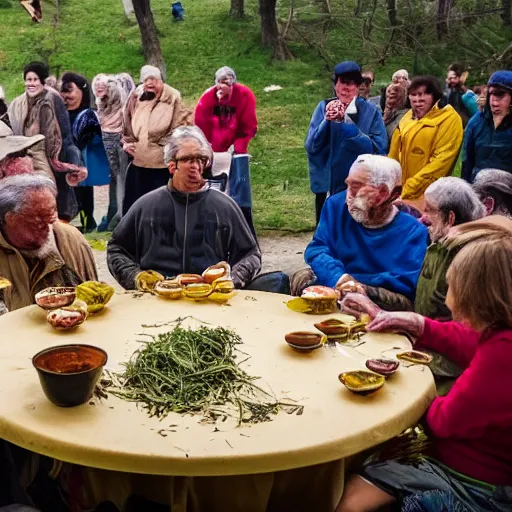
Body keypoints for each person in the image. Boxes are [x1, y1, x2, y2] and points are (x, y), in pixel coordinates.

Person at [336, 216, 512, 512]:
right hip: (482, 466)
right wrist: (418, 325)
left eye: (451, 287)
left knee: (349, 497)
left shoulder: (502, 355)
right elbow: (468, 341)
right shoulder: (500, 333)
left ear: (479, 295)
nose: (449, 299)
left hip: (477, 483)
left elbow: (443, 421)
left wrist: (401, 396)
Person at [107, 126, 261, 290]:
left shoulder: (225, 207)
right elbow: (117, 249)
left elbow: (251, 254)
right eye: (188, 159)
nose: (196, 165)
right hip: (155, 300)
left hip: (209, 299)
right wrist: (136, 277)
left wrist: (233, 278)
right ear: (172, 166)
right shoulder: (146, 206)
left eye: (201, 159)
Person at [303, 155, 428, 304]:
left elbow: (407, 281)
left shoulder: (413, 232)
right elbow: (317, 249)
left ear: (389, 194)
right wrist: (340, 277)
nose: (348, 195)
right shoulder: (336, 206)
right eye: (348, 186)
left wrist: (359, 284)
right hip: (337, 284)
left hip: (380, 301)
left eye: (356, 187)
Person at [0, 174, 97, 313]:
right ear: (11, 219)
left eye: (52, 212)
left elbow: (93, 294)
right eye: (39, 218)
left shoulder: (72, 240)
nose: (51, 223)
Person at [305, 61, 387, 224]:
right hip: (327, 187)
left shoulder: (371, 112)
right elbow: (312, 146)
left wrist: (349, 126)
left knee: (355, 236)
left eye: (351, 84)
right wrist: (327, 122)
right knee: (325, 236)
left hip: (360, 189)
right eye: (342, 82)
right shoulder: (323, 107)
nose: (346, 88)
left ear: (358, 87)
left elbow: (378, 149)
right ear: (335, 85)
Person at [8, 62, 86, 221]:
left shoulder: (52, 100)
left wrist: (68, 160)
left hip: (48, 153)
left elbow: (64, 134)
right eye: (28, 79)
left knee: (50, 194)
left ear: (42, 81)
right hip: (24, 154)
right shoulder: (18, 103)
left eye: (35, 79)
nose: (31, 83)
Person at [194, 66, 258, 236]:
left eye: (227, 82)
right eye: (220, 82)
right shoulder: (207, 98)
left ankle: (243, 233)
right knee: (213, 192)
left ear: (233, 83)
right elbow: (200, 125)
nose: (223, 86)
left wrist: (238, 147)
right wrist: (206, 148)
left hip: (236, 152)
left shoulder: (245, 95)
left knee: (239, 194)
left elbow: (249, 126)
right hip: (213, 152)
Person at [122, 65, 191, 215]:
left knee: (160, 209)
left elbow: (182, 127)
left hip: (162, 166)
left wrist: (164, 146)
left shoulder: (173, 97)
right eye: (146, 80)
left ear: (161, 80)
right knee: (135, 207)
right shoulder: (137, 95)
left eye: (154, 79)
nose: (150, 83)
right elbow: (127, 123)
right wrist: (127, 142)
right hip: (138, 162)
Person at [388, 75, 463, 211]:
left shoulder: (449, 119)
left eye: (424, 95)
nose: (418, 100)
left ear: (435, 96)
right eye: (414, 95)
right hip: (398, 196)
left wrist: (408, 189)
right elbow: (392, 156)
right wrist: (389, 186)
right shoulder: (407, 118)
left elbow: (440, 163)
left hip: (428, 198)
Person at [61, 72, 111, 233]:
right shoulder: (58, 113)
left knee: (83, 192)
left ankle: (87, 220)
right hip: (62, 161)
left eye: (69, 90)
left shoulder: (88, 116)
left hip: (82, 162)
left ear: (82, 92)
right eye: (63, 91)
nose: (65, 95)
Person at [92, 73, 129, 231]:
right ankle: (115, 214)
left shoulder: (120, 104)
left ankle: (120, 217)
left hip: (118, 141)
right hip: (109, 138)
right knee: (115, 178)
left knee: (120, 177)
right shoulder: (102, 104)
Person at [461, 70, 512, 183]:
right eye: (491, 93)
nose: (494, 100)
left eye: (500, 94)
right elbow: (467, 162)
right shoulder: (476, 122)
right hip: (478, 189)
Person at [382, 82, 408, 147]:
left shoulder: (405, 116)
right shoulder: (381, 114)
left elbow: (390, 137)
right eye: (389, 91)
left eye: (396, 90)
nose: (392, 93)